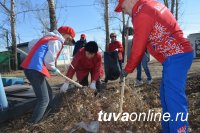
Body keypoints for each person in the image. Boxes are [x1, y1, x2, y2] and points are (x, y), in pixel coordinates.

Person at [115, 0, 193, 132]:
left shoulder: (141, 13)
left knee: (174, 101)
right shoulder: (150, 5)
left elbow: (138, 49)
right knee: (166, 98)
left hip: (177, 55)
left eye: (123, 8)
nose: (125, 12)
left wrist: (127, 69)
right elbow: (152, 37)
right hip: (173, 58)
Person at [21, 26, 75, 124]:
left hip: (29, 68)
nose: (70, 40)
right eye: (70, 37)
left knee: (49, 93)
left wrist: (39, 55)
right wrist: (54, 69)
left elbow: (31, 44)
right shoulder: (57, 41)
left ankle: (50, 115)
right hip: (35, 69)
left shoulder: (47, 38)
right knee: (43, 100)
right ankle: (33, 124)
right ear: (63, 33)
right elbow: (48, 60)